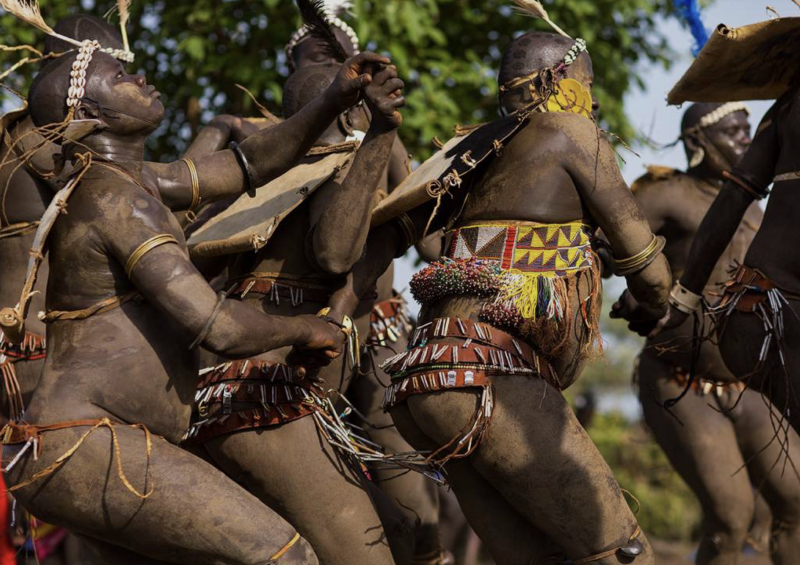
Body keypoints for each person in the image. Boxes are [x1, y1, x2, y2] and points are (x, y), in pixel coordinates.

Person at [0, 14, 392, 562]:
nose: (144, 81)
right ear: (89, 114)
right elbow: (218, 325)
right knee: (286, 554)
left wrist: (334, 95)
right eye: (124, 79)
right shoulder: (120, 202)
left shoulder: (139, 180)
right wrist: (311, 328)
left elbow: (247, 162)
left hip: (86, 442)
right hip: (89, 441)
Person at [325, 21, 672, 564]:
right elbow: (651, 274)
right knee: (624, 552)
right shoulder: (572, 131)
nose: (597, 102)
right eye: (588, 83)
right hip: (487, 376)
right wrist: (656, 305)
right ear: (559, 82)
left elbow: (443, 248)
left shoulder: (468, 152)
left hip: (426, 381)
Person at [185, 59, 414, 565]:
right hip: (263, 393)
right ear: (348, 113)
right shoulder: (324, 164)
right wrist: (379, 136)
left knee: (399, 528)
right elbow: (334, 253)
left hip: (234, 389)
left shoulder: (261, 175)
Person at [0, 14, 258, 423]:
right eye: (111, 70)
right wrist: (220, 130)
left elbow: (165, 185)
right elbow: (152, 192)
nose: (130, 81)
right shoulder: (47, 141)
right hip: (36, 356)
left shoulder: (31, 139)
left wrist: (219, 130)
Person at [285, 5, 444, 562]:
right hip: (292, 339)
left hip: (380, 335)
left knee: (419, 518)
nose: (335, 69)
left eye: (343, 59)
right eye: (317, 60)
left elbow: (431, 244)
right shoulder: (263, 138)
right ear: (292, 69)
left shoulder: (387, 137)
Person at [623, 102, 800, 565]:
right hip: (681, 382)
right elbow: (610, 250)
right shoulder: (666, 195)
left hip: (753, 385)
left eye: (748, 130)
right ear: (698, 141)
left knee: (794, 504)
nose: (745, 140)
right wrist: (639, 293)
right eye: (733, 131)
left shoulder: (760, 208)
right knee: (732, 517)